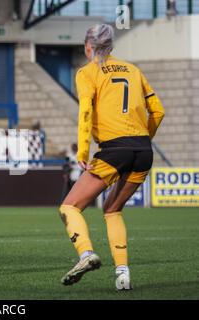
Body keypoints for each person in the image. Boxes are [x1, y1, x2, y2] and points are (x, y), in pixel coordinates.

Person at [58, 24, 165, 290]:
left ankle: (86, 254)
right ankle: (122, 274)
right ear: (112, 47)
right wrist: (143, 140)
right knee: (113, 210)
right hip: (142, 150)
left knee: (69, 207)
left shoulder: (87, 72)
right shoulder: (133, 70)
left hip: (114, 150)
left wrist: (83, 152)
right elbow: (158, 111)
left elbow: (85, 114)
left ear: (88, 47)